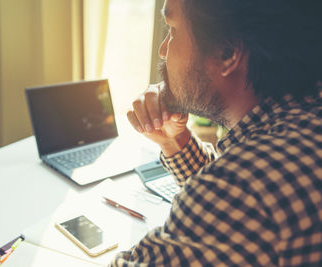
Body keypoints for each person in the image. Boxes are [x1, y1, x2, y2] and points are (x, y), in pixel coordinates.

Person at [110, 0, 322, 266]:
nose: (163, 50)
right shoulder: (303, 122)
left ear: (227, 53)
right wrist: (175, 141)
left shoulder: (244, 187)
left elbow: (232, 195)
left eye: (173, 30)